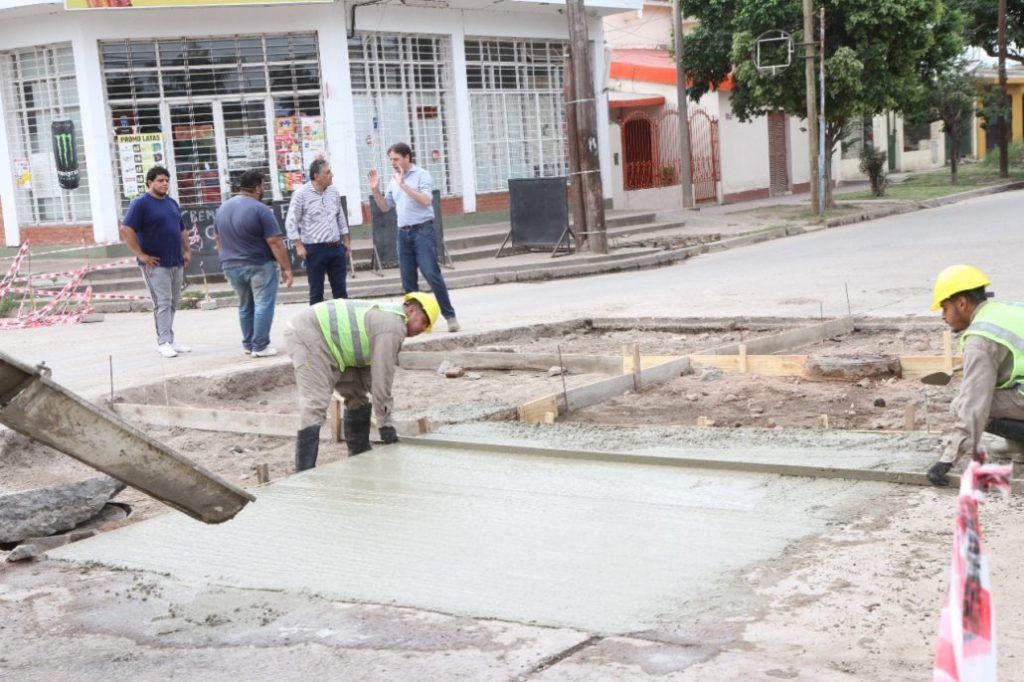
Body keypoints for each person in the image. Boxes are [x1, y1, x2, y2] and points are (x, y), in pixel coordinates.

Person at [285, 291, 440, 471]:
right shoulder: (393, 326)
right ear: (411, 310)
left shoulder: (388, 319)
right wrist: (385, 423)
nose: (423, 328)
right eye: (423, 321)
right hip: (308, 334)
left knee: (357, 396)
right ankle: (304, 472)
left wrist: (384, 416)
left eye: (427, 326)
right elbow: (383, 376)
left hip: (337, 345)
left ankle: (359, 455)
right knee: (315, 403)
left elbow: (371, 376)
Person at [925, 264, 1024, 486]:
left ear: (961, 303)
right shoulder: (1003, 310)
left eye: (944, 308)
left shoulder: (980, 340)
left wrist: (947, 460)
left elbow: (973, 404)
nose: (943, 316)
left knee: (962, 404)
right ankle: (1017, 444)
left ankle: (1021, 446)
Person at [368, 142, 460, 332]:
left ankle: (449, 316)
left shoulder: (422, 175)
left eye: (396, 159)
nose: (393, 163)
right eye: (391, 160)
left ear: (407, 157)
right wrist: (375, 190)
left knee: (431, 274)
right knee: (408, 281)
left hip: (423, 231)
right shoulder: (393, 179)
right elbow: (385, 207)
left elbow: (426, 200)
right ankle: (413, 322)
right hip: (403, 233)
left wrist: (405, 186)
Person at [214, 170, 294, 357]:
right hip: (258, 264)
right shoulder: (260, 209)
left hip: (231, 265)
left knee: (244, 305)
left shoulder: (222, 208)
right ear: (258, 187)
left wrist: (225, 258)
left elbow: (217, 239)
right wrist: (286, 268)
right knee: (263, 304)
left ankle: (249, 344)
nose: (263, 189)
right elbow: (275, 241)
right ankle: (260, 346)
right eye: (263, 185)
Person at [119, 166, 191, 358]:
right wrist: (141, 254)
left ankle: (171, 339)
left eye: (167, 180)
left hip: (175, 260)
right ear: (150, 182)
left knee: (173, 301)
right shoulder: (141, 203)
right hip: (155, 263)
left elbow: (181, 229)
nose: (164, 183)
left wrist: (187, 250)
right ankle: (164, 342)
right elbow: (126, 229)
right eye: (160, 180)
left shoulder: (171, 203)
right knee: (162, 302)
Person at [285, 158, 350, 305]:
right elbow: (291, 221)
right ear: (316, 176)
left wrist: (346, 240)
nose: (331, 175)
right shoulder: (301, 194)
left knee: (341, 292)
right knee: (316, 293)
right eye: (327, 173)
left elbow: (340, 215)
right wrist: (298, 245)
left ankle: (342, 325)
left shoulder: (333, 191)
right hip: (315, 249)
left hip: (336, 247)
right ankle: (317, 326)